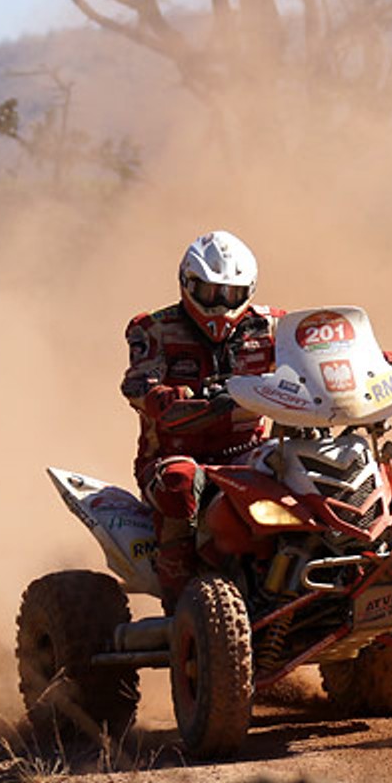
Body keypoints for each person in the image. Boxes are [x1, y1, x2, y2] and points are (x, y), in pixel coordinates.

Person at [121, 231, 283, 603]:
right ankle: (180, 598)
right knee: (179, 482)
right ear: (187, 284)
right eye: (211, 293)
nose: (221, 305)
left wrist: (369, 361)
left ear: (250, 290)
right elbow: (135, 384)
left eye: (232, 294)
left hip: (248, 452)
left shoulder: (271, 325)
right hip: (173, 456)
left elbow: (317, 350)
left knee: (303, 466)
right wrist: (164, 397)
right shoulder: (152, 328)